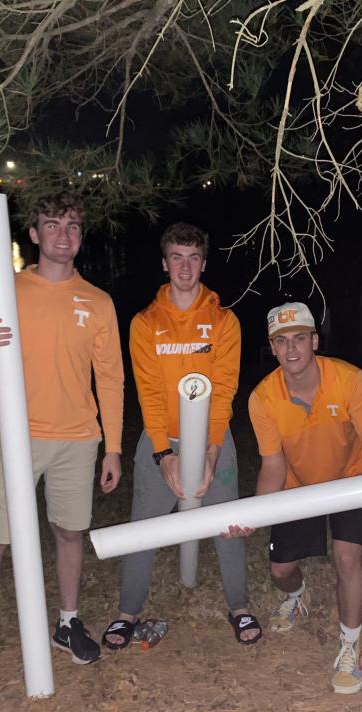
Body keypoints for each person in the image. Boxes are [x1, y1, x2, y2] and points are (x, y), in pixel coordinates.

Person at [224, 302, 362, 694]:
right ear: (272, 348)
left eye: (299, 338)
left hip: (350, 479)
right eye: (281, 342)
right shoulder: (262, 398)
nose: (292, 349)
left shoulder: (350, 380)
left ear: (314, 341)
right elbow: (272, 468)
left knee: (346, 556)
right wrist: (250, 515)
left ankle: (349, 647)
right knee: (281, 571)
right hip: (299, 487)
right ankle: (297, 595)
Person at [0, 193, 123, 686]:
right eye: (51, 225)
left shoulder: (97, 301)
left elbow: (111, 377)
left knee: (70, 533)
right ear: (33, 235)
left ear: (80, 236)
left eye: (72, 226)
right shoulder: (3, 289)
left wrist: (112, 446)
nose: (63, 235)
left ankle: (67, 622)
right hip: (14, 437)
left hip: (78, 439)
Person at [102, 222, 261, 650]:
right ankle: (127, 613)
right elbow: (149, 393)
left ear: (203, 263)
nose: (185, 266)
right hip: (160, 438)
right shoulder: (144, 323)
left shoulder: (224, 321)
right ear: (165, 263)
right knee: (144, 528)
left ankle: (239, 606)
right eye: (177, 257)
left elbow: (224, 389)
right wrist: (161, 454)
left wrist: (210, 452)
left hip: (214, 438)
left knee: (227, 524)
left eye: (193, 258)